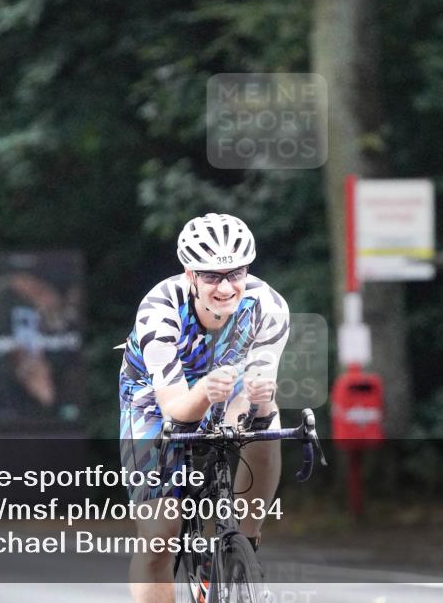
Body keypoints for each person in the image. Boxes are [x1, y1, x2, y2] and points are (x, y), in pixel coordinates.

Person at [119, 213, 289, 603]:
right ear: (190, 275)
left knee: (266, 416)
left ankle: (245, 544)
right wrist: (205, 394)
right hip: (153, 395)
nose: (226, 287)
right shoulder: (160, 307)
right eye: (212, 276)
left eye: (236, 273)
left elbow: (256, 389)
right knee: (159, 537)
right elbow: (176, 409)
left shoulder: (269, 306)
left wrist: (252, 405)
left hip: (226, 384)